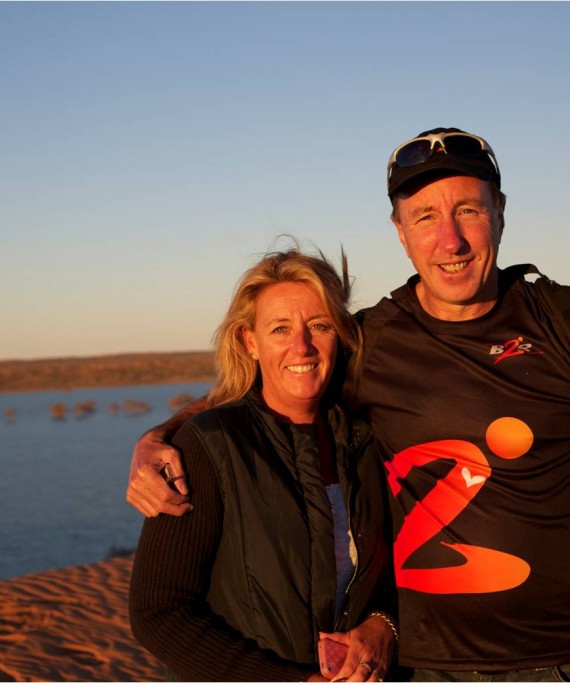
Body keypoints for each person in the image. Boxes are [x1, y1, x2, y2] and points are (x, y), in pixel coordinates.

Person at [128, 128, 570, 682]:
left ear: (501, 214)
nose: (449, 239)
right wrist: (161, 435)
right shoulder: (371, 341)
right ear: (400, 233)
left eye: (468, 210)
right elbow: (276, 381)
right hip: (428, 671)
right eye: (425, 215)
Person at [128, 248, 397, 682]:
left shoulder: (365, 443)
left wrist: (384, 625)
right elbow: (157, 612)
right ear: (250, 342)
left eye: (319, 326)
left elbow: (392, 574)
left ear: (341, 335)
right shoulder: (207, 446)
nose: (302, 346)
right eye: (280, 329)